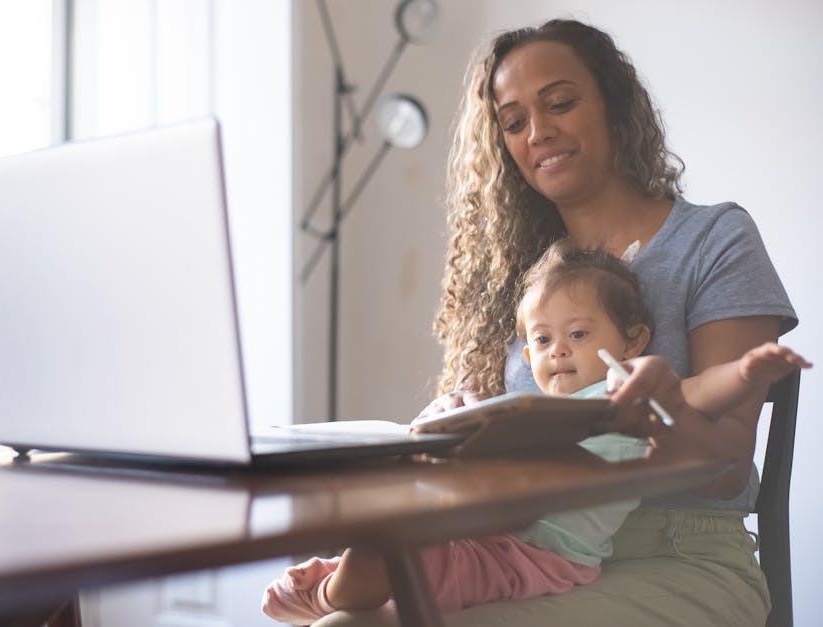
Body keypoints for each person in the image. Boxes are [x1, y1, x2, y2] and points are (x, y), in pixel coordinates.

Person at [308, 17, 799, 627]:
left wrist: (656, 420)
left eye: (560, 103)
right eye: (513, 122)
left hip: (679, 555)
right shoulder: (521, 282)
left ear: (613, 106)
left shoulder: (715, 239)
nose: (539, 132)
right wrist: (457, 420)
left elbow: (727, 469)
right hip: (522, 556)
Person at [262, 243, 810, 625]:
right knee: (394, 535)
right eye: (543, 341)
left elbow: (699, 390)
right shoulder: (528, 410)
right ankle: (333, 585)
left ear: (632, 340)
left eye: (577, 333)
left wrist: (744, 373)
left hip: (537, 557)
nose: (559, 351)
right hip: (490, 530)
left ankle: (326, 591)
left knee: (393, 554)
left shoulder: (630, 397)